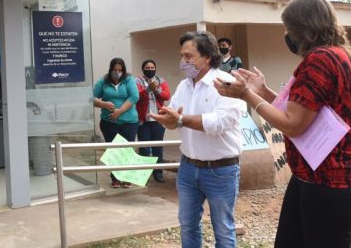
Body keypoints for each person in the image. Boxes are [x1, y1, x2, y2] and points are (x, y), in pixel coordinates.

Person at [214, 0, 351, 248]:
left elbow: (292, 124)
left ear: (303, 29)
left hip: (328, 184)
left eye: (289, 29)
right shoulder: (339, 56)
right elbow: (307, 111)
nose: (287, 35)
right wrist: (263, 92)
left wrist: (246, 94)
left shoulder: (320, 60)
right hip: (317, 180)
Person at [150, 31, 244, 248]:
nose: (183, 62)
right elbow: (174, 117)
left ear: (208, 57)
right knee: (188, 225)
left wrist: (180, 119)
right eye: (182, 56)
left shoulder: (228, 83)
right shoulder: (184, 86)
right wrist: (167, 120)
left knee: (223, 228)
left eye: (189, 57)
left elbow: (219, 123)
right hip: (188, 168)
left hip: (221, 171)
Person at [94, 58, 140, 188]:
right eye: (115, 70)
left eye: (120, 70)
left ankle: (126, 177)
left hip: (129, 122)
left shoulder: (129, 80)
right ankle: (115, 178)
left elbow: (134, 97)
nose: (117, 72)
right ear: (110, 70)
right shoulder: (103, 81)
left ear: (124, 71)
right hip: (109, 123)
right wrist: (103, 103)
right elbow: (90, 97)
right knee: (114, 151)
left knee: (127, 150)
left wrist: (119, 111)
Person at [135, 59, 171, 183]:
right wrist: (147, 90)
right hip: (143, 120)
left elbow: (167, 95)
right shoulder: (137, 81)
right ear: (143, 69)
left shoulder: (161, 81)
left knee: (157, 147)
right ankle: (143, 174)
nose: (150, 70)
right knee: (144, 148)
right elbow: (136, 96)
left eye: (152, 68)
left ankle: (158, 172)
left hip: (158, 119)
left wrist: (156, 90)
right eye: (147, 68)